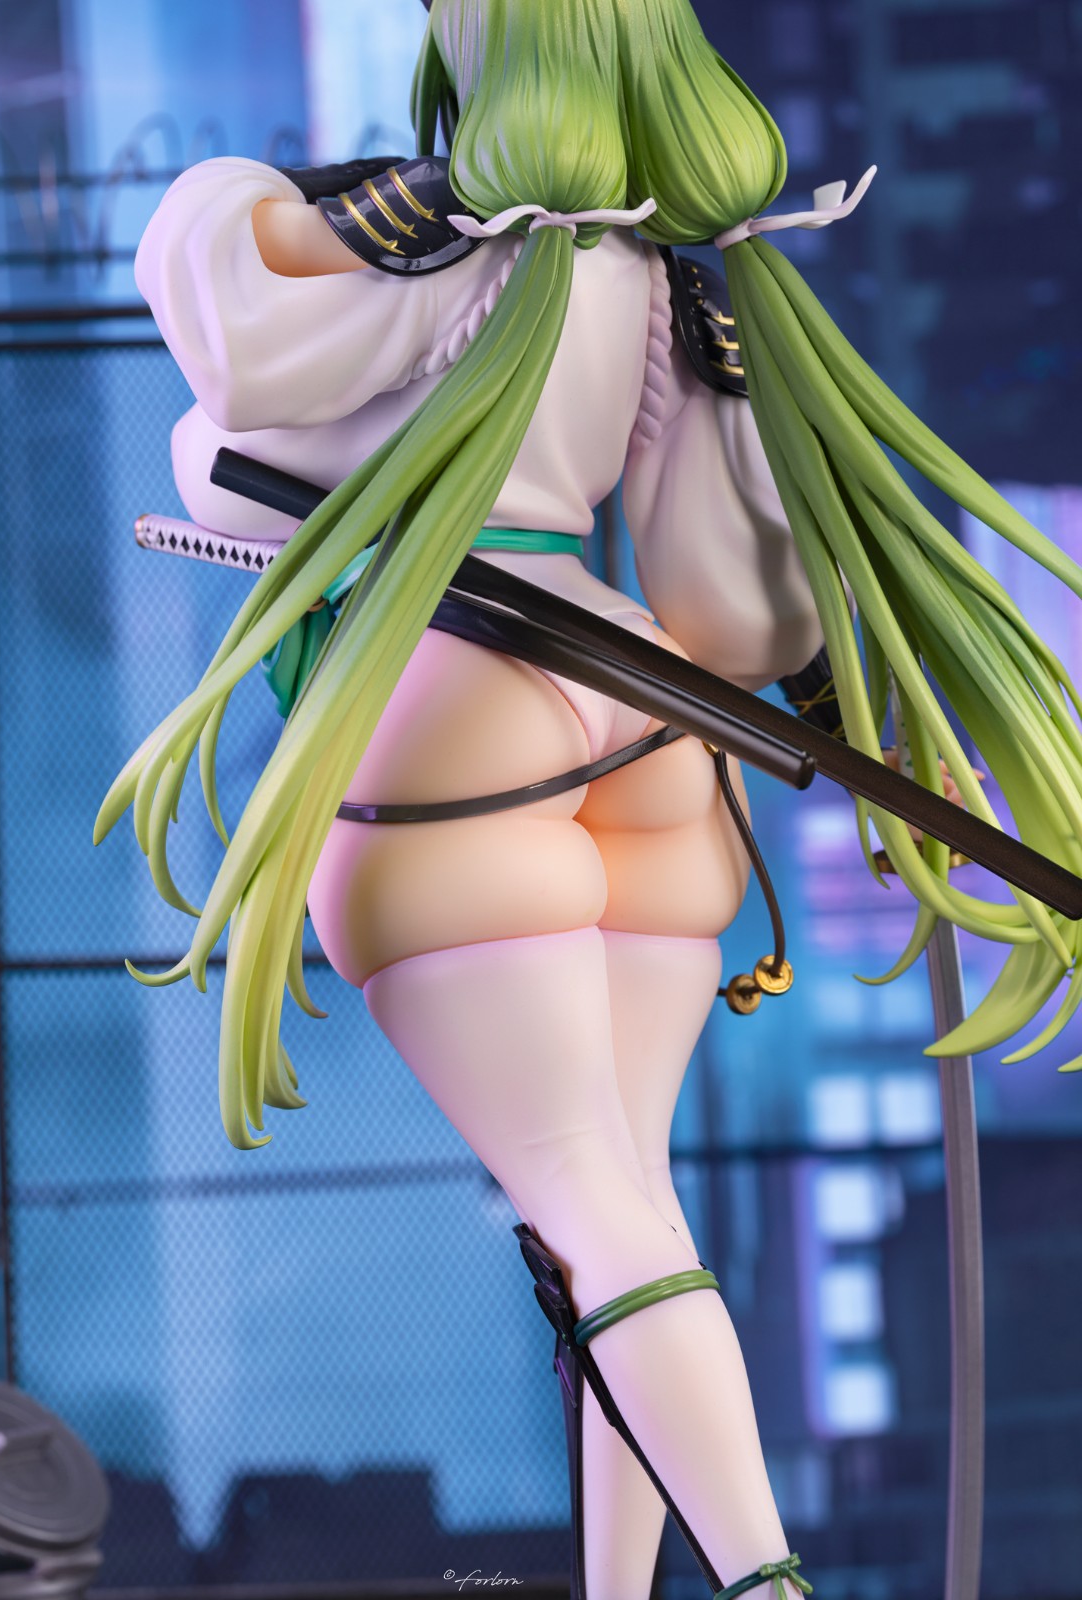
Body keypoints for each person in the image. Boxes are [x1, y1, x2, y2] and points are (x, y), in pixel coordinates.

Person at [98, 4, 1082, 1596]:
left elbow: (224, 348)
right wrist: (836, 703)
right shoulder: (656, 285)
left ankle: (763, 1584)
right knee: (616, 1211)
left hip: (454, 696)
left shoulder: (414, 243)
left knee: (586, 1199)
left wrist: (396, 211)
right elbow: (735, 614)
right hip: (643, 711)